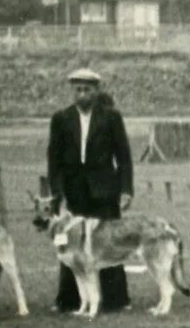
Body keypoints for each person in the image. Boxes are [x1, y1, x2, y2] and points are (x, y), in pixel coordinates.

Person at [47, 68, 133, 313]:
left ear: (96, 91)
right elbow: (54, 160)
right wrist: (57, 194)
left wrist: (126, 189)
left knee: (110, 243)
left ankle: (116, 299)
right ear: (72, 91)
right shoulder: (61, 118)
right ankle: (69, 299)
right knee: (70, 246)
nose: (82, 94)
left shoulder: (111, 117)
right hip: (73, 193)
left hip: (105, 190)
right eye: (78, 89)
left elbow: (124, 156)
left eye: (87, 89)